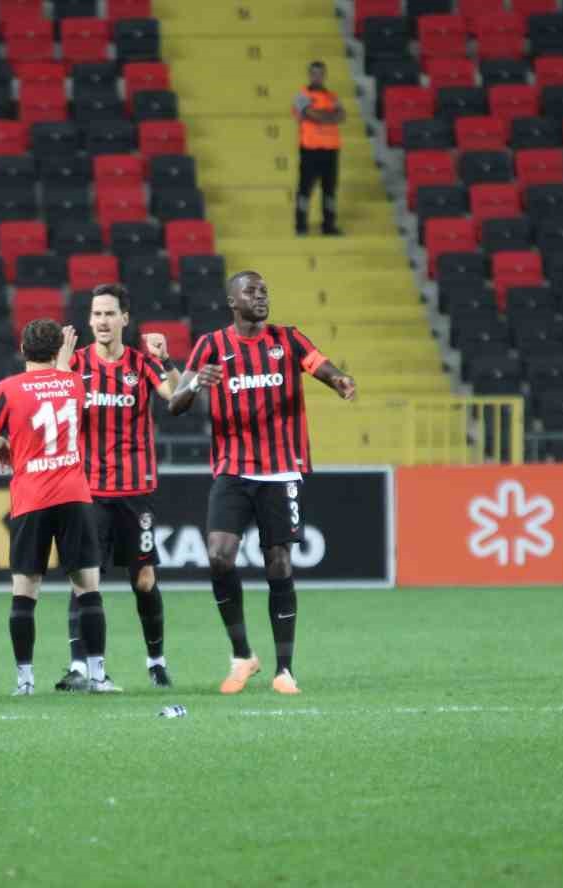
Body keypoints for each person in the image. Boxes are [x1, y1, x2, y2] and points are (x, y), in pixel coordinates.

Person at [167, 270, 357, 695]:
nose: (260, 296)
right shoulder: (210, 346)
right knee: (218, 557)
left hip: (281, 470)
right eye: (251, 291)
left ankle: (284, 670)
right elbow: (175, 405)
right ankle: (242, 656)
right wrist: (198, 380)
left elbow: (319, 366)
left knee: (279, 564)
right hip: (233, 470)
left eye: (264, 291)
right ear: (232, 301)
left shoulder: (287, 339)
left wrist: (339, 379)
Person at [0, 319, 119, 696]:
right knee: (88, 588)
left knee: (25, 590)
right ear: (57, 352)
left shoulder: (8, 388)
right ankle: (98, 676)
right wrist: (64, 365)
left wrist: (4, 442)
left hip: (31, 498)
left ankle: (24, 681)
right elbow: (62, 387)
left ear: (22, 349)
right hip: (74, 495)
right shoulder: (74, 383)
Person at [54, 284, 181, 691]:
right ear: (89, 320)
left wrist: (168, 361)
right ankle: (80, 666)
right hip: (86, 491)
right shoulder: (73, 364)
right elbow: (50, 407)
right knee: (83, 580)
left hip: (134, 490)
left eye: (110, 314)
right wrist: (57, 369)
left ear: (125, 319)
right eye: (96, 314)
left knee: (143, 579)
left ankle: (156, 660)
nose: (102, 321)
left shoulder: (143, 365)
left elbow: (176, 397)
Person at [293, 61, 346, 237]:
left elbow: (342, 116)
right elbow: (310, 114)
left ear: (325, 75)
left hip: (331, 150)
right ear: (309, 75)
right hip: (310, 149)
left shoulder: (333, 96)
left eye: (321, 73)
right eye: (314, 73)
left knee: (330, 190)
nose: (317, 77)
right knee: (305, 189)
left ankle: (328, 225)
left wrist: (322, 116)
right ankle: (301, 225)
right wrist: (329, 116)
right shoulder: (302, 95)